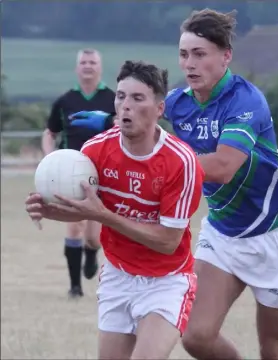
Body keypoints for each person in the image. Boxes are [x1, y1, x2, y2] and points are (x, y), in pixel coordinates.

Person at [67, 9, 278, 360]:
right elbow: (145, 110)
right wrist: (108, 118)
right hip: (223, 234)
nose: (189, 64)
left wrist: (159, 170)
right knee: (196, 337)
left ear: (225, 56)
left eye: (200, 54)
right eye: (183, 55)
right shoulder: (181, 102)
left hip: (272, 233)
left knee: (273, 346)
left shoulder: (245, 101)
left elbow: (224, 167)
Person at [26, 60, 204, 360]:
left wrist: (104, 216)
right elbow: (88, 209)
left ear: (159, 109)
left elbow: (167, 240)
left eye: (137, 98)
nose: (125, 106)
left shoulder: (180, 161)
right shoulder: (94, 152)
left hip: (167, 280)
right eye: (121, 97)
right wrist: (53, 209)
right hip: (118, 277)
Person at [42, 48, 116, 298]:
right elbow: (49, 133)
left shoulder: (112, 99)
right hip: (70, 174)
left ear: (100, 67)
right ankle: (75, 287)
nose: (88, 66)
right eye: (83, 62)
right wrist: (49, 158)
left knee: (94, 238)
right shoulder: (65, 101)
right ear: (77, 68)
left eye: (92, 62)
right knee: (74, 228)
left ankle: (92, 252)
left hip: (102, 174)